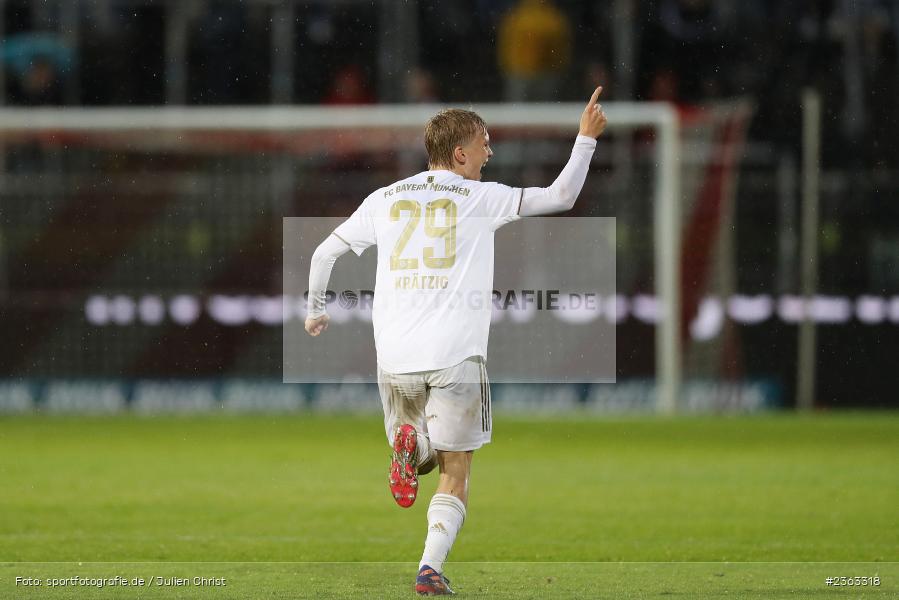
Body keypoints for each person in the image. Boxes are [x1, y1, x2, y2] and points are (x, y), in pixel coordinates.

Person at [304, 87, 607, 595]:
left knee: (420, 454)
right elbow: (562, 196)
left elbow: (322, 254)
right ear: (460, 153)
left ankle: (412, 444)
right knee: (455, 466)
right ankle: (429, 569)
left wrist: (315, 310)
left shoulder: (383, 198)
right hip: (457, 355)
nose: (490, 152)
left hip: (395, 356)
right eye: (484, 143)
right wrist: (586, 140)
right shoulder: (480, 198)